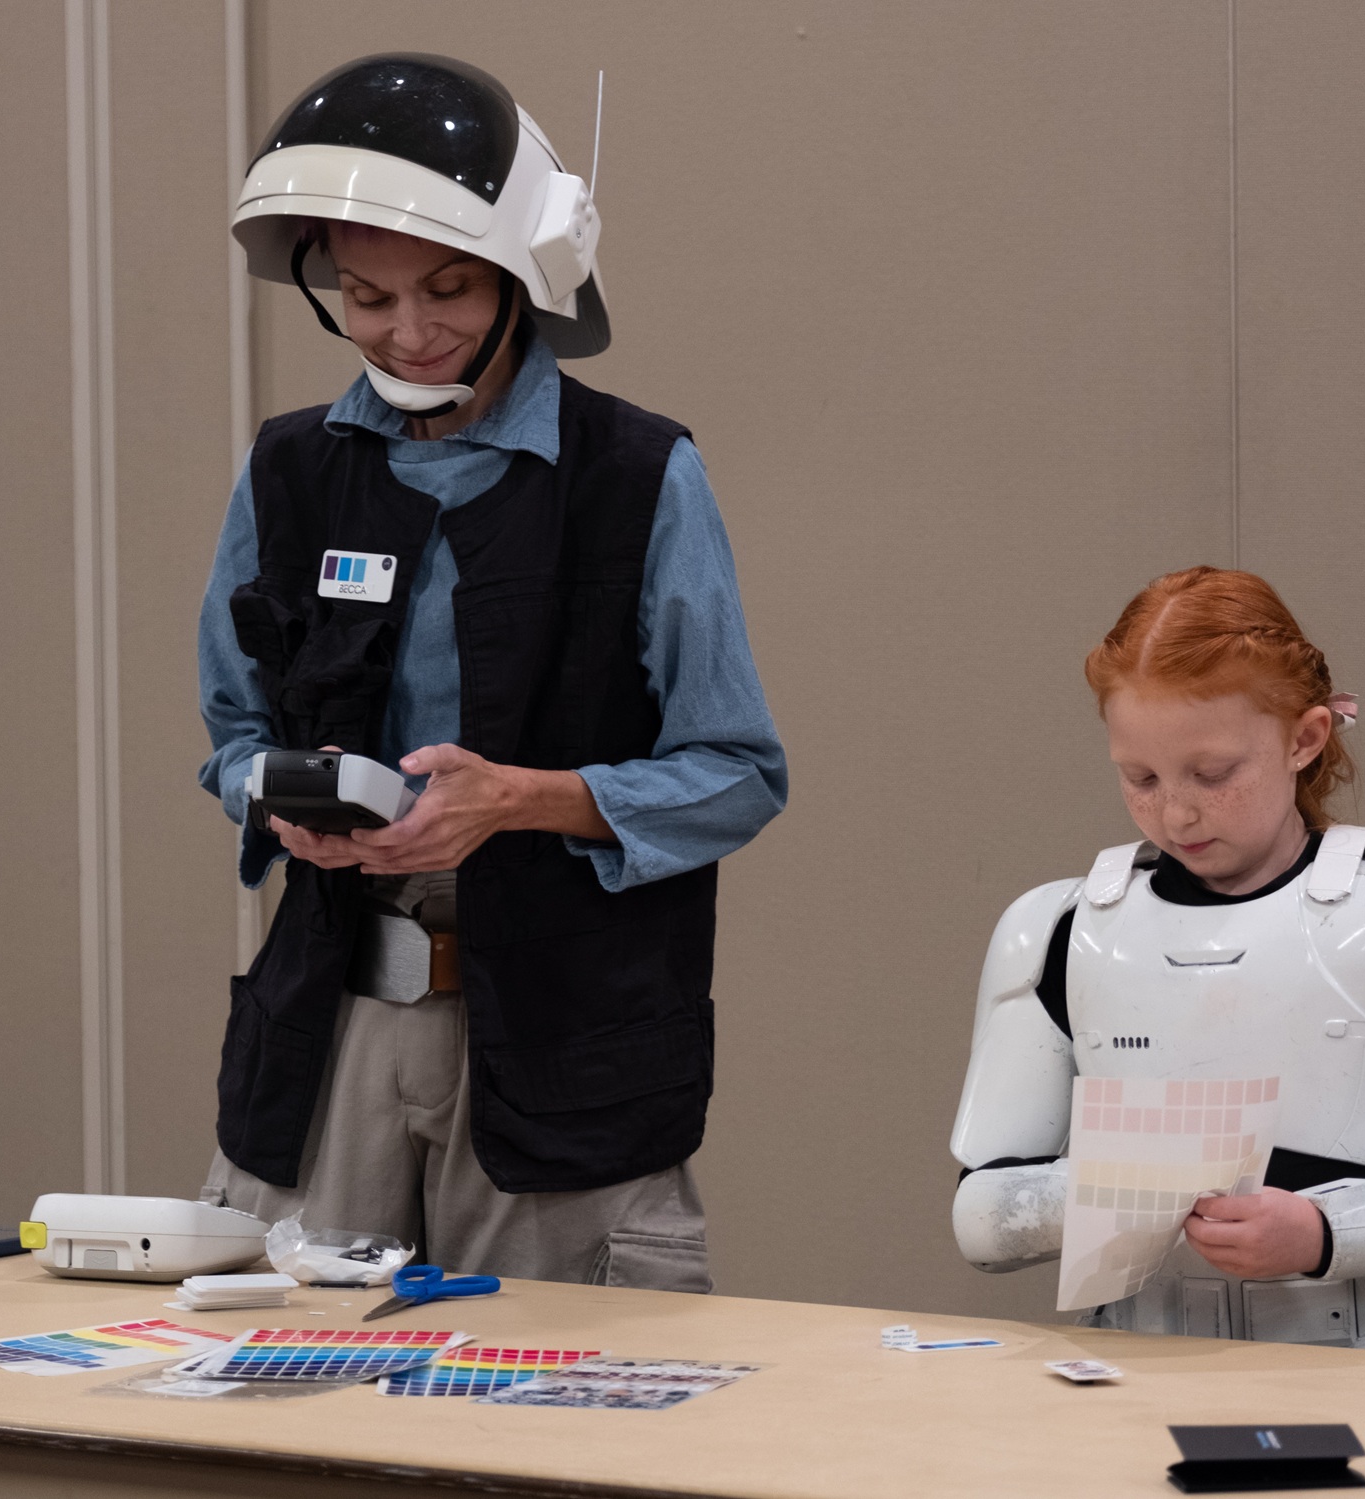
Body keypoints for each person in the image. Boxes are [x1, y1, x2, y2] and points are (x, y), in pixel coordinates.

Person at [195, 53, 785, 1293]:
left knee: (561, 1415)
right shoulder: (290, 470)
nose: (409, 333)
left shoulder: (637, 476)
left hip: (567, 1043)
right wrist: (283, 802)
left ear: (529, 273)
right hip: (331, 1025)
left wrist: (520, 798)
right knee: (283, 1396)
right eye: (365, 296)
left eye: (450, 289)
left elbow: (733, 773)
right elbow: (234, 731)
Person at [947, 567, 1365, 1348]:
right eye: (1140, 777)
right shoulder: (1057, 929)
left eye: (1213, 772)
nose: (1176, 810)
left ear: (1304, 738)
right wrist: (1119, 1188)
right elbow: (981, 1218)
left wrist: (1323, 1232)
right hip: (1134, 1369)